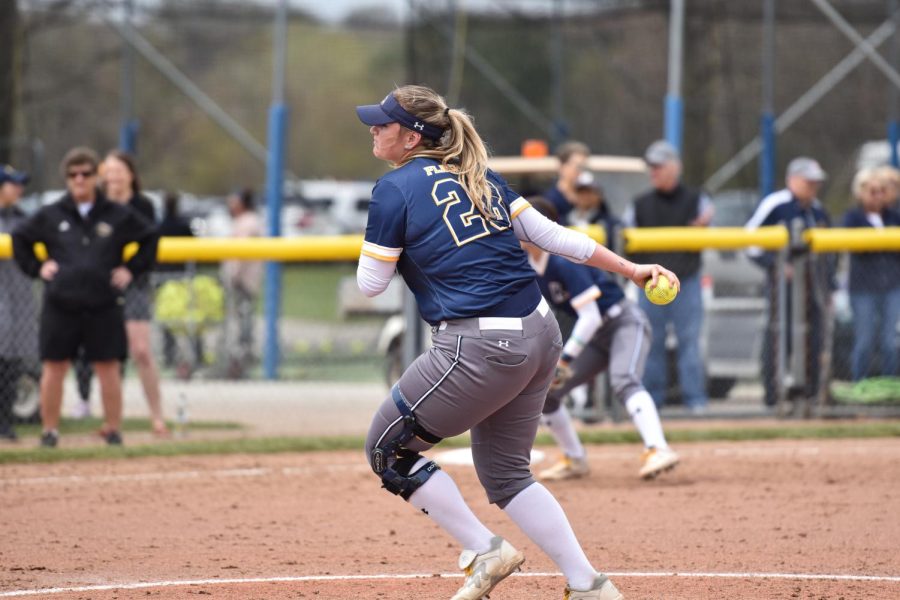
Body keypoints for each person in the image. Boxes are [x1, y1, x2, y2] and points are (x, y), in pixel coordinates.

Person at [356, 85, 679, 600]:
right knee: (506, 475)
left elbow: (371, 284)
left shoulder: (393, 190)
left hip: (478, 346)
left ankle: (485, 548)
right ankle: (588, 584)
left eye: (384, 123)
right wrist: (632, 268)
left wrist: (388, 239)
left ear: (413, 136)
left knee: (387, 450)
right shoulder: (477, 174)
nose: (373, 129)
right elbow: (554, 236)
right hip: (542, 331)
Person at [522, 197, 679, 481]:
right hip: (593, 337)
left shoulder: (561, 260)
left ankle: (658, 448)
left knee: (624, 379)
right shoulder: (529, 264)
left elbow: (592, 316)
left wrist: (565, 358)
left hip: (621, 322)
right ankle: (575, 458)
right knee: (547, 392)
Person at [12, 147, 158, 447]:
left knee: (108, 366)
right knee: (54, 366)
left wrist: (130, 270)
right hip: (61, 303)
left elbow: (150, 238)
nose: (79, 179)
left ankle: (114, 430)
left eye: (86, 174)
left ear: (96, 177)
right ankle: (49, 431)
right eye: (73, 174)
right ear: (66, 179)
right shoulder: (52, 214)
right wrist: (37, 267)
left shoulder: (116, 214)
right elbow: (19, 238)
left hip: (102, 303)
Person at [626, 140, 713, 412]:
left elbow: (713, 226)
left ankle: (695, 401)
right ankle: (652, 400)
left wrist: (705, 225)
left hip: (686, 279)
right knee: (652, 343)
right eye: (651, 167)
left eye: (659, 166)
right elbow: (625, 235)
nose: (654, 171)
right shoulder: (639, 204)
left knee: (690, 342)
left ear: (675, 167)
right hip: (650, 284)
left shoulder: (697, 199)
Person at [745, 157, 831, 407]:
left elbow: (830, 251)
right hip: (783, 287)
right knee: (778, 335)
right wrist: (776, 264)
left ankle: (810, 394)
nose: (813, 187)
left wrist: (831, 285)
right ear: (792, 180)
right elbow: (750, 241)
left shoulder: (817, 209)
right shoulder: (777, 204)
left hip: (813, 284)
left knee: (814, 337)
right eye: (808, 181)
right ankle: (774, 396)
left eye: (816, 183)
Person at [100, 150, 168, 436]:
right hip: (103, 284)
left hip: (135, 282)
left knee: (140, 350)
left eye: (120, 170)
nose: (115, 176)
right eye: (110, 171)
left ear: (131, 174)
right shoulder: (99, 206)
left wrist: (130, 268)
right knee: (109, 355)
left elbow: (150, 244)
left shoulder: (143, 205)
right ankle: (113, 422)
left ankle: (157, 417)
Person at [841, 167, 900, 380]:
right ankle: (860, 386)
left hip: (891, 286)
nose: (878, 196)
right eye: (872, 191)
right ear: (861, 193)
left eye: (882, 191)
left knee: (890, 342)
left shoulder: (893, 216)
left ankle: (890, 388)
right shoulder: (853, 217)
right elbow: (857, 248)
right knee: (864, 341)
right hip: (863, 290)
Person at [0, 165, 38, 441]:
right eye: (13, 184)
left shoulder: (24, 220)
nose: (19, 189)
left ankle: (5, 420)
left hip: (19, 299)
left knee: (13, 361)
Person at [220, 188, 263, 377]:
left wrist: (234, 275)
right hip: (241, 279)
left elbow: (241, 252)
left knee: (243, 321)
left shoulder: (248, 222)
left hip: (242, 280)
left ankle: (242, 360)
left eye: (234, 201)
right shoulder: (243, 221)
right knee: (240, 320)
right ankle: (239, 357)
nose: (231, 205)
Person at [156, 191, 198, 369]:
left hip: (167, 279)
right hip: (181, 277)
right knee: (187, 318)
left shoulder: (160, 225)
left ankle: (170, 354)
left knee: (169, 319)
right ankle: (193, 355)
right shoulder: (182, 225)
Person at [544, 141, 590, 225]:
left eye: (584, 167)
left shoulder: (590, 196)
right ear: (562, 166)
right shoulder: (551, 200)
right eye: (578, 166)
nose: (581, 171)